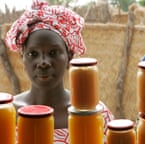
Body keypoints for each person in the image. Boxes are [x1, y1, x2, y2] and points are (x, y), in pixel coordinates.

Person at [5, 0, 114, 143]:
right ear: (22, 59)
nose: (43, 62)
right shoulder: (6, 115)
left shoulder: (94, 113)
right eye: (33, 54)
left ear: (69, 56)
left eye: (53, 52)